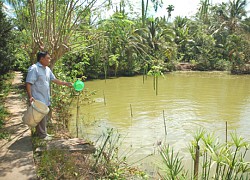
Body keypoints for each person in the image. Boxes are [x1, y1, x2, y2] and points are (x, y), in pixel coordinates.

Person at [26, 51, 72, 140]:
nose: (49, 60)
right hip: (37, 97)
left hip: (45, 97)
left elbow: (54, 79)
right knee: (40, 117)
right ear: (41, 59)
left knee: (43, 117)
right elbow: (28, 83)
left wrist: (66, 83)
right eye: (48, 58)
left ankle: (42, 134)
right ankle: (42, 136)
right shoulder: (34, 68)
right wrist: (30, 96)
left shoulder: (47, 69)